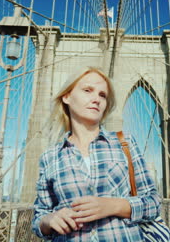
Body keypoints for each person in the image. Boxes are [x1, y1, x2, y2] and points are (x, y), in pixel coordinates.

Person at [32, 66, 161, 241]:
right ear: (67, 96)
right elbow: (40, 215)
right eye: (87, 90)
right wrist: (49, 220)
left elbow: (154, 204)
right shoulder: (50, 157)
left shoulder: (125, 144)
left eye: (102, 95)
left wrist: (113, 205)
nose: (96, 99)